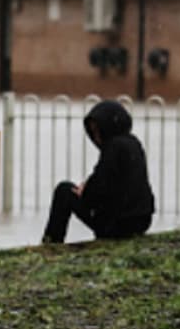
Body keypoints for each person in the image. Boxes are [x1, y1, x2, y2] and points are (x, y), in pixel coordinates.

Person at [42, 99, 156, 244]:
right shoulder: (134, 143)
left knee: (64, 191)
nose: (96, 136)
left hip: (117, 225)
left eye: (97, 130)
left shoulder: (113, 147)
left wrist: (84, 192)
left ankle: (51, 241)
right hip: (141, 221)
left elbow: (99, 188)